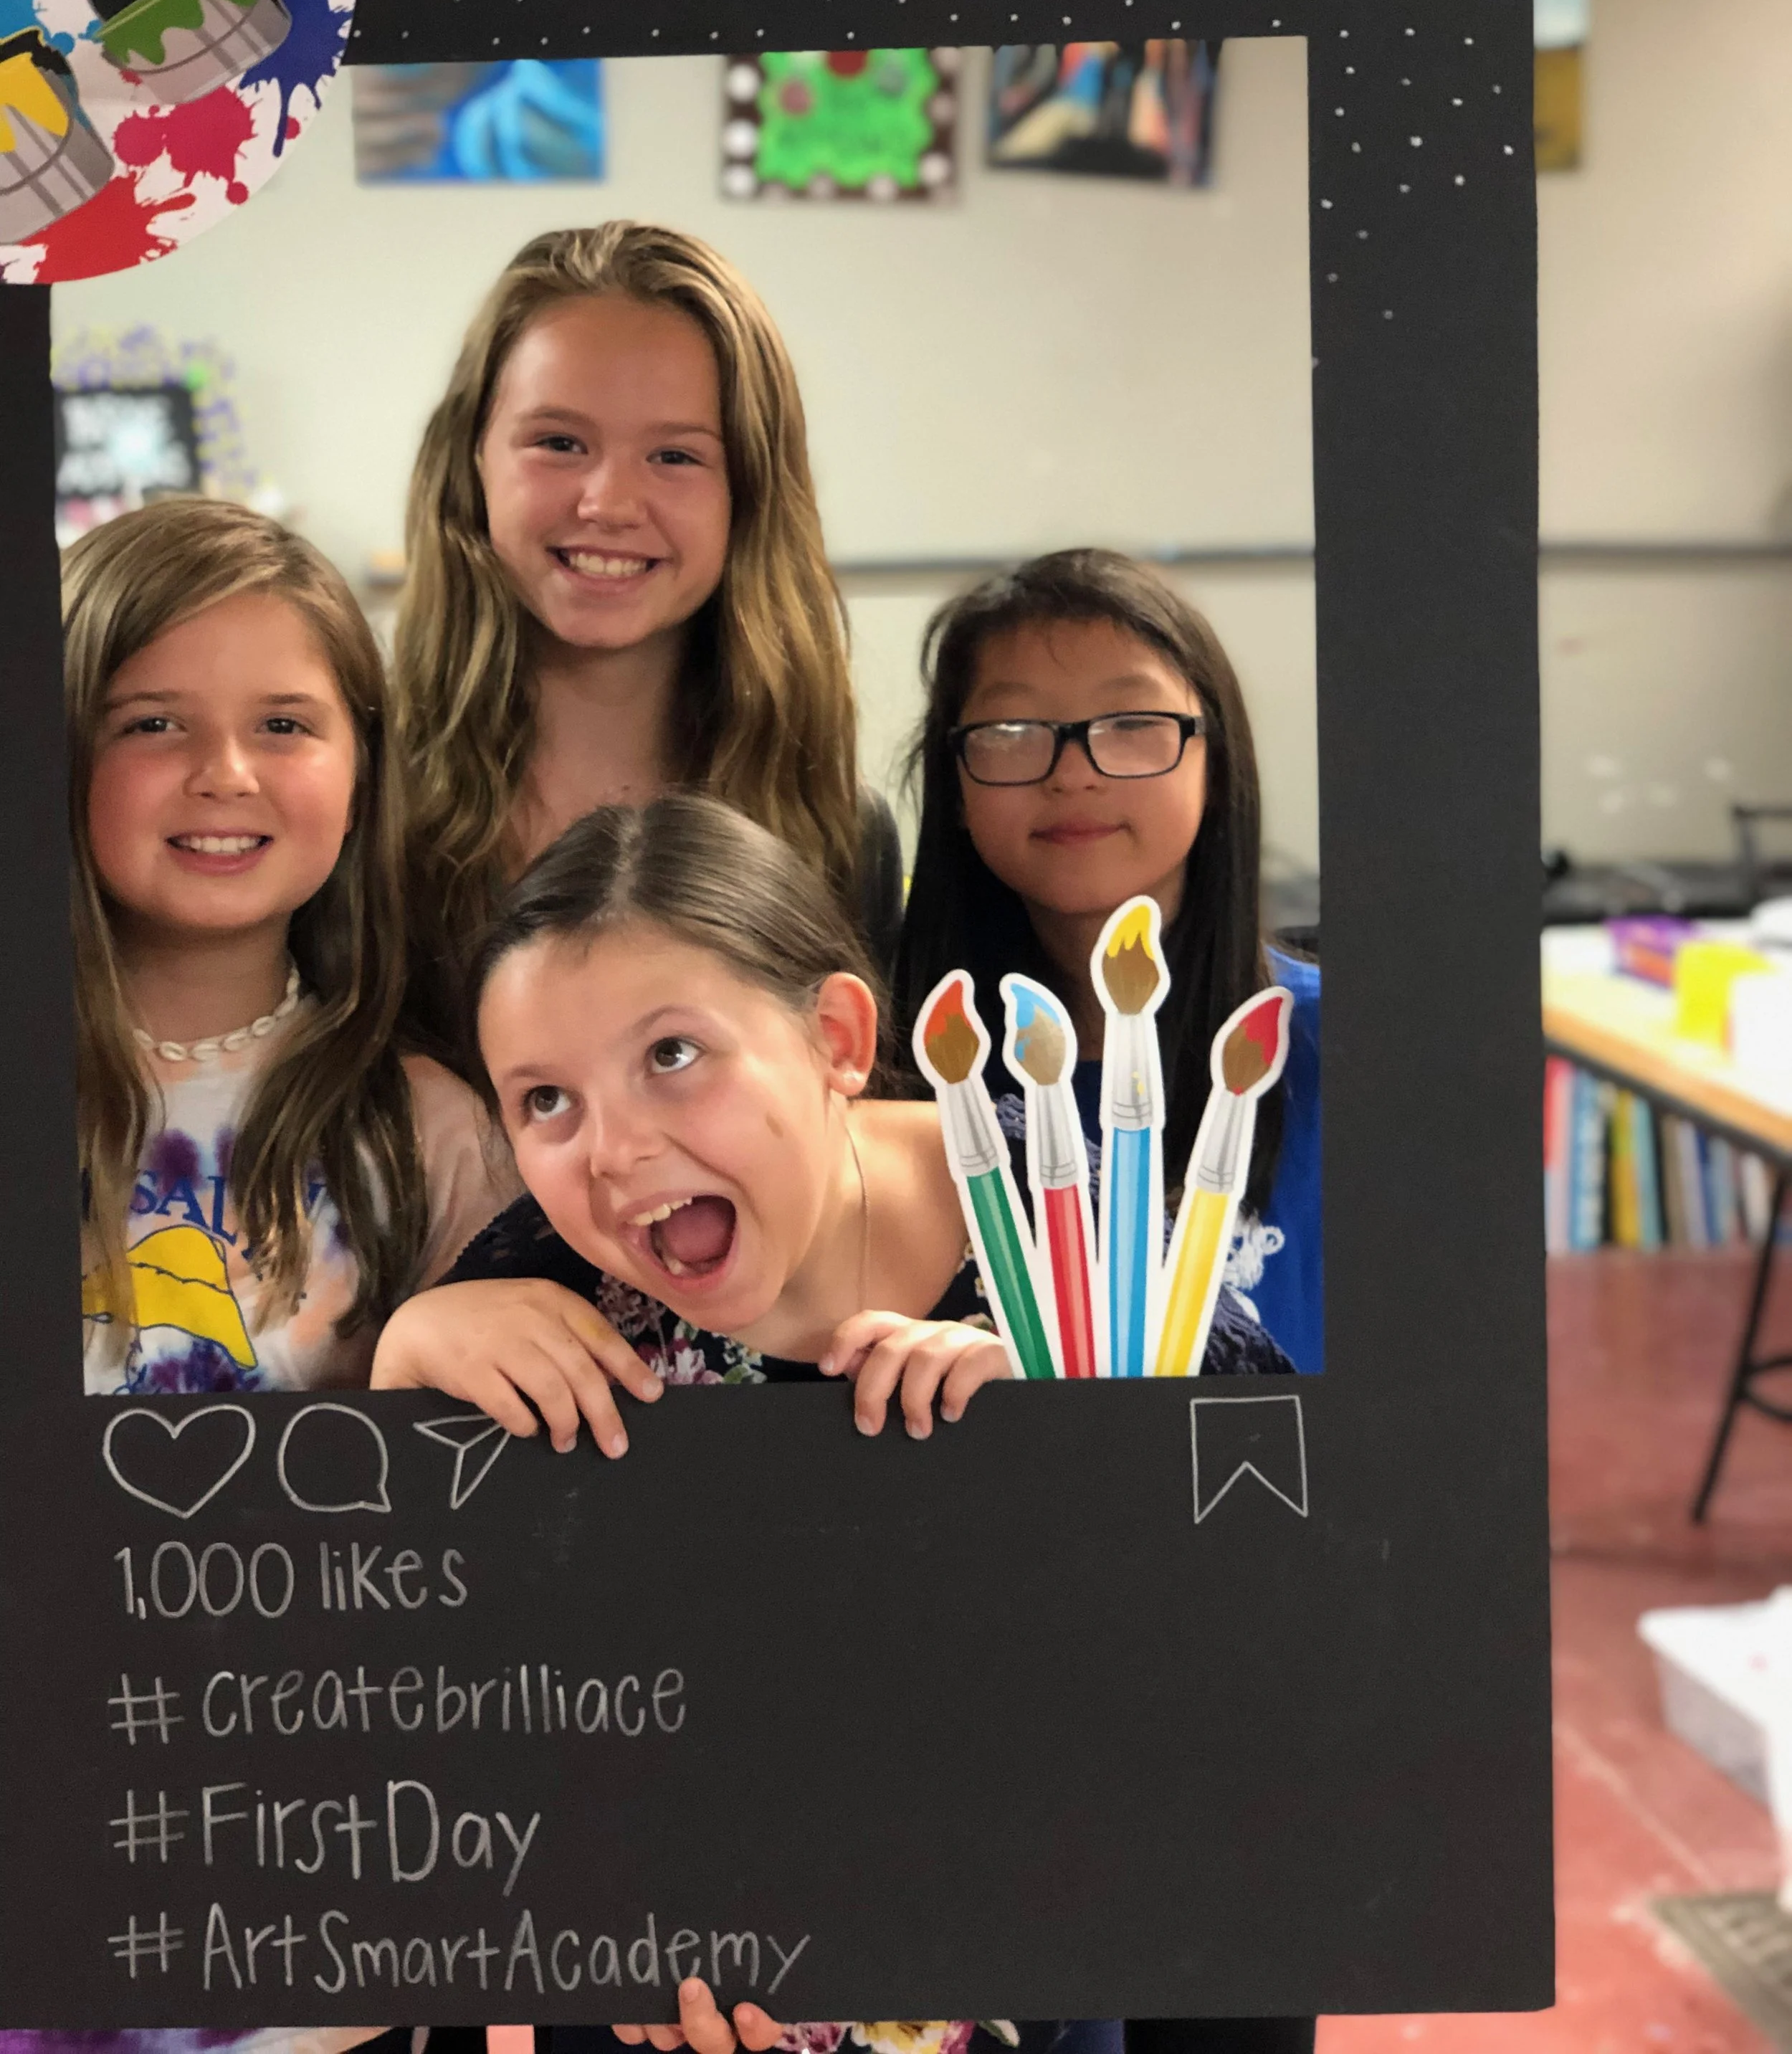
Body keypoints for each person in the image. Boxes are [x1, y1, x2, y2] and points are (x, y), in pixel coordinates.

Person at [373, 792, 1296, 2054]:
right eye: (545, 1099)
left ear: (837, 1037)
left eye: (673, 1053)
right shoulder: (546, 1273)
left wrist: (1084, 1430)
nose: (614, 1148)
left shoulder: (1064, 1219)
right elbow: (440, 1695)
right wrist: (412, 1359)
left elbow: (1291, 1565)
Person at [393, 221, 902, 1066]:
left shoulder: (839, 829)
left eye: (674, 455)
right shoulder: (354, 802)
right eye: (559, 443)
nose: (610, 502)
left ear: (750, 493)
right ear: (469, 460)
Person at [67, 499, 509, 1399]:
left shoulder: (427, 1132)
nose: (225, 773)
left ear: (361, 765)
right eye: (153, 723)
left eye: (284, 726)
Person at [893, 549, 1322, 1380]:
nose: (1074, 773)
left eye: (1131, 723)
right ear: (954, 786)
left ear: (1216, 759)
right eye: (1011, 732)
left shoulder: (1334, 1048)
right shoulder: (902, 1076)